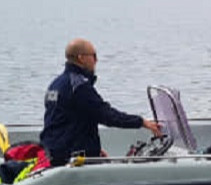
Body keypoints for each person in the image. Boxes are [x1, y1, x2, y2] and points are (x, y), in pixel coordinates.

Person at [40, 38, 162, 166]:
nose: (96, 60)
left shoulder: (56, 84)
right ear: (81, 58)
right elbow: (106, 115)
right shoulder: (79, 87)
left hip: (54, 152)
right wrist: (141, 122)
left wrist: (93, 149)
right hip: (70, 159)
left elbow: (66, 121)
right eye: (94, 56)